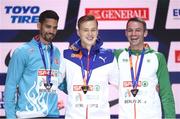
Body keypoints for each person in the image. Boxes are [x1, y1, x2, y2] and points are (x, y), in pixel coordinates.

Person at [4, 10, 64, 118]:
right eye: (48, 26)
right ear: (39, 26)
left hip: (52, 115)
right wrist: (10, 117)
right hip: (29, 114)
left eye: (55, 27)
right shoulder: (22, 51)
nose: (52, 31)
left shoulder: (56, 52)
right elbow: (11, 85)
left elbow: (57, 81)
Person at [114, 17, 176, 119]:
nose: (133, 34)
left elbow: (166, 95)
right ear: (126, 33)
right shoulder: (118, 55)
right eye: (130, 30)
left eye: (138, 30)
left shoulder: (157, 57)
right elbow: (94, 51)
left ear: (145, 33)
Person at [59, 15, 119, 119]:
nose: (90, 34)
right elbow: (55, 82)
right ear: (78, 32)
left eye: (93, 30)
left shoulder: (109, 57)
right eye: (86, 30)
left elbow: (121, 85)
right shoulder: (67, 56)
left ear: (97, 31)